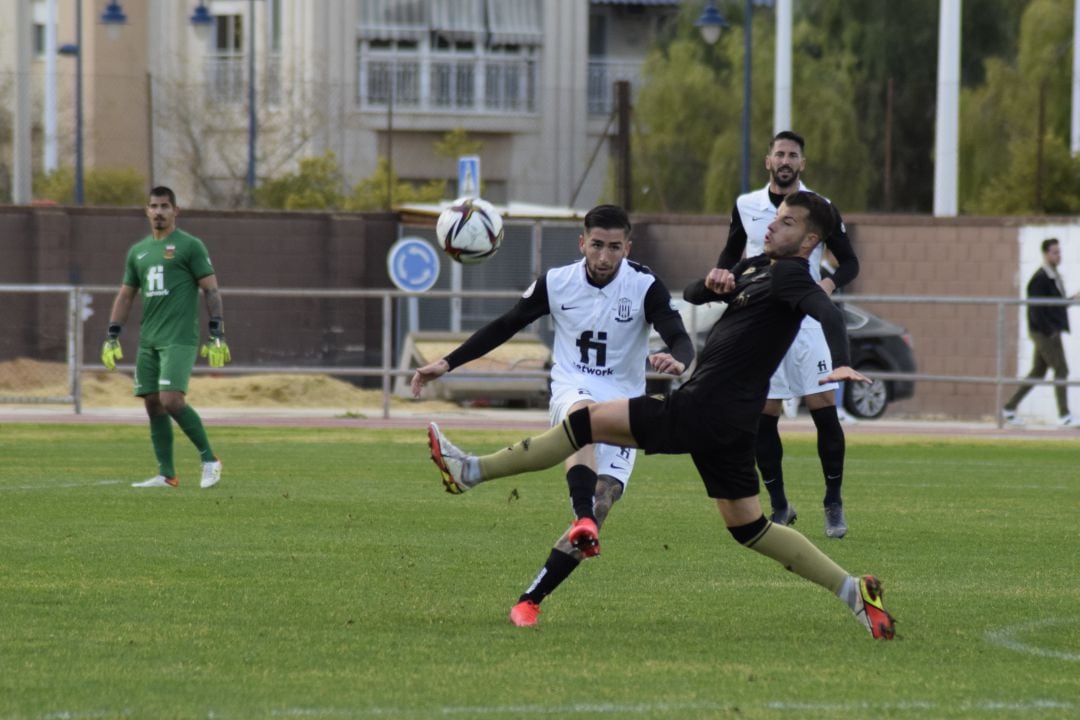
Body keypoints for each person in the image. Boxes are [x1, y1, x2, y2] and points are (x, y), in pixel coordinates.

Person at [427, 191, 896, 640]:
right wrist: (713, 284)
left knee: (583, 423)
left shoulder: (793, 275)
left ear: (811, 242)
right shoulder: (757, 267)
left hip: (704, 407)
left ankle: (472, 471)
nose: (772, 224)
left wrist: (840, 360)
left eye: (788, 222)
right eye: (776, 218)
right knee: (750, 528)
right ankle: (854, 590)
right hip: (731, 420)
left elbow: (826, 311)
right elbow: (691, 296)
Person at [412, 204, 694, 628]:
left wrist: (680, 359)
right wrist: (446, 363)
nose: (604, 257)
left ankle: (531, 599)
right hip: (573, 387)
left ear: (627, 247)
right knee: (583, 419)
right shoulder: (557, 282)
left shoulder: (645, 285)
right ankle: (572, 512)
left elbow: (679, 337)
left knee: (601, 509)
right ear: (582, 243)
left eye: (614, 247)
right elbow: (506, 325)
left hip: (625, 400)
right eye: (596, 245)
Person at [716, 130, 859, 538]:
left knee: (823, 408)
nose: (785, 160)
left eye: (793, 155)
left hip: (806, 320)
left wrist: (826, 287)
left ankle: (833, 502)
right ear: (768, 161)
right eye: (779, 153)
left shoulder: (819, 207)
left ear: (802, 164)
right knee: (765, 415)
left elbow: (849, 262)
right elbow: (731, 252)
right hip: (762, 320)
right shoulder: (746, 205)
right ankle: (780, 505)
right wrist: (723, 277)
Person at [101, 186, 232, 488]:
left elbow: (210, 289)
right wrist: (112, 335)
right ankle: (166, 474)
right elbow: (126, 295)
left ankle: (210, 459)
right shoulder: (139, 251)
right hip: (150, 339)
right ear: (146, 211)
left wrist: (217, 332)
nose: (158, 211)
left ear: (175, 211)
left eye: (164, 206)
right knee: (152, 403)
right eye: (153, 206)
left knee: (172, 400)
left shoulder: (190, 246)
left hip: (179, 338)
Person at [1003, 238, 1078, 427]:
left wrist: (1072, 299)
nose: (1058, 256)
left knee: (1038, 372)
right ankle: (1064, 415)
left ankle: (1009, 408)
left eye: (1059, 252)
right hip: (1044, 333)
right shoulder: (1040, 279)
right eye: (1054, 252)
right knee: (1061, 369)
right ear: (1046, 254)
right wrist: (1049, 331)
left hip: (1051, 330)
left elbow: (1054, 307)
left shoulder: (1054, 277)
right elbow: (1035, 310)